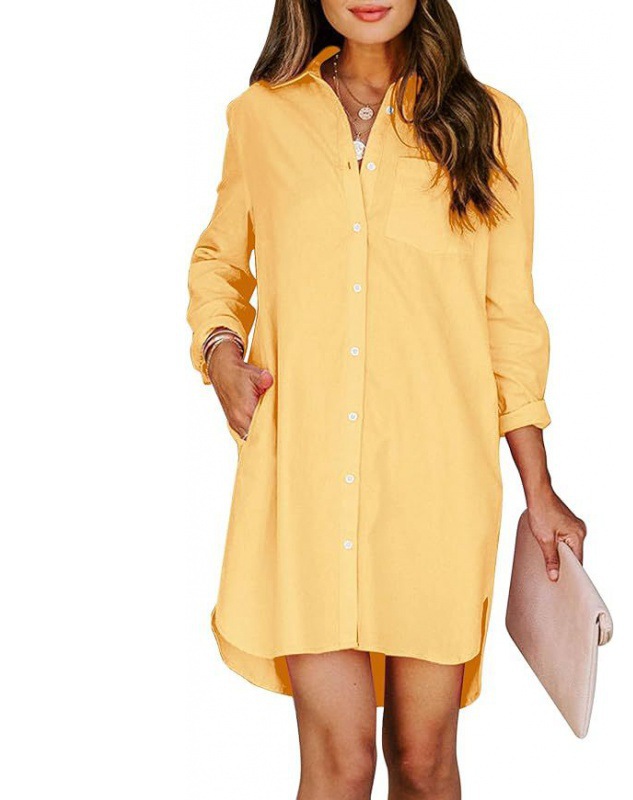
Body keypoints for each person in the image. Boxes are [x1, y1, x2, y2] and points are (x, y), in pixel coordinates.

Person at [186, 1, 586, 797]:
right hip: (305, 481)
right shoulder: (261, 116)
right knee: (339, 766)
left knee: (423, 760)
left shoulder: (490, 123)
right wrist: (221, 350)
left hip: (435, 485)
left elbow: (508, 317)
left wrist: (539, 490)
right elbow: (218, 263)